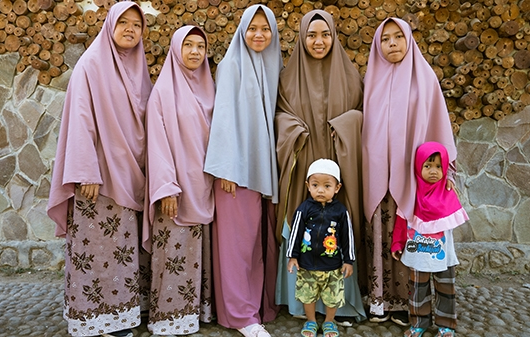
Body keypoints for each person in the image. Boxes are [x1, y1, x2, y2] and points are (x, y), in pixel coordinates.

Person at [47, 2, 152, 336]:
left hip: (130, 173)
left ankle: (121, 313)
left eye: (137, 24)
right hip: (100, 178)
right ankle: (95, 318)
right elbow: (80, 119)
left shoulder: (139, 67)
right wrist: (85, 171)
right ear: (109, 25)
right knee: (97, 250)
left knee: (122, 251)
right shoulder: (91, 65)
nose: (130, 29)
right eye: (123, 22)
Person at [362, 17, 458, 326]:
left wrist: (445, 174)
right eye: (385, 39)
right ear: (378, 45)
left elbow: (438, 125)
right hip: (378, 173)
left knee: (411, 237)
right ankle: (379, 300)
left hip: (415, 179)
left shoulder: (425, 77)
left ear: (409, 40)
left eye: (398, 37)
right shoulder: (372, 79)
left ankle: (411, 304)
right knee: (380, 233)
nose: (392, 43)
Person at [275, 9, 366, 325]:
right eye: (311, 35)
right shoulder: (287, 77)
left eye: (325, 34)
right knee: (304, 225)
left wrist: (345, 124)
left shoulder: (351, 75)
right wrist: (294, 130)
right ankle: (301, 304)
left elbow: (362, 114)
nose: (318, 41)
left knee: (336, 228)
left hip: (336, 163)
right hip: (304, 165)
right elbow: (279, 116)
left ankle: (338, 305)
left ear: (334, 36)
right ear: (301, 37)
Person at [203, 4, 282, 337]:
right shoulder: (231, 66)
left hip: (260, 169)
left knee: (256, 242)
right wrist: (226, 169)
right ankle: (240, 316)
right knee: (237, 247)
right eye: (253, 28)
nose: (259, 34)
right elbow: (222, 120)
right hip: (235, 172)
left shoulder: (272, 65)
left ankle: (257, 307)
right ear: (242, 31)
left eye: (265, 28)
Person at [142, 25, 214, 336]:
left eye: (201, 46)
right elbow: (157, 144)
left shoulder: (210, 88)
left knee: (199, 255)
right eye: (189, 45)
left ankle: (198, 313)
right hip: (175, 188)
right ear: (176, 49)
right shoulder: (163, 91)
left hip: (204, 186)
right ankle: (169, 318)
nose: (195, 52)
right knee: (173, 253)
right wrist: (166, 187)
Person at [391, 142, 468, 337]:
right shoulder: (411, 195)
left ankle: (446, 324)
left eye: (438, 166)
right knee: (417, 290)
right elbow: (401, 219)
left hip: (443, 256)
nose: (433, 171)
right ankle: (419, 322)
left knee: (445, 289)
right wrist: (398, 243)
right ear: (418, 167)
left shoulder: (448, 193)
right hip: (417, 254)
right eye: (427, 166)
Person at [287, 159, 354, 337]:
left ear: (337, 188)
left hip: (332, 266)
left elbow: (348, 237)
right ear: (308, 185)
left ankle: (329, 322)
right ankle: (310, 320)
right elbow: (295, 233)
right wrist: (292, 256)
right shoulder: (304, 209)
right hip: (307, 264)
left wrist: (348, 260)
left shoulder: (341, 211)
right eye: (315, 185)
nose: (321, 190)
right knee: (307, 295)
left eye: (327, 186)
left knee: (332, 297)